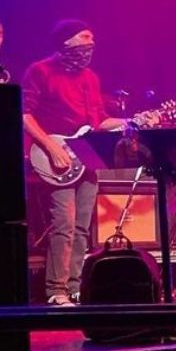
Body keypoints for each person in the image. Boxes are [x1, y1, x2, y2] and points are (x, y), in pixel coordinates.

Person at [22, 19, 155, 305]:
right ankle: (55, 290)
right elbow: (24, 114)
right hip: (54, 154)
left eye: (92, 42)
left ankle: (74, 286)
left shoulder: (90, 78)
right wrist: (48, 145)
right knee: (64, 223)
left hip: (86, 158)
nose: (89, 47)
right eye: (83, 40)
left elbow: (97, 122)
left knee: (83, 226)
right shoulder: (40, 71)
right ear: (65, 42)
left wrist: (133, 121)